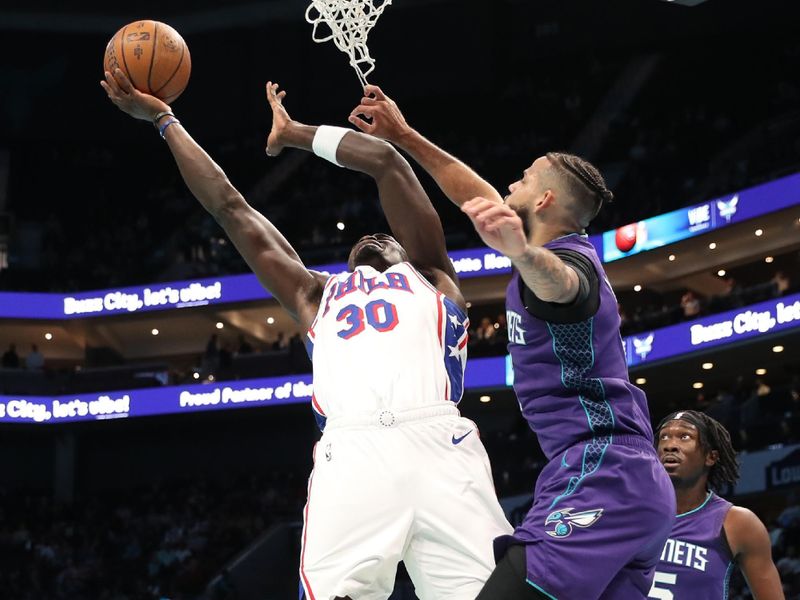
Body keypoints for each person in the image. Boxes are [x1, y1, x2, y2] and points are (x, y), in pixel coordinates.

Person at [101, 70, 511, 600]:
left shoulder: (433, 277)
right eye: (365, 238)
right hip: (351, 452)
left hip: (441, 445)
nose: (374, 235)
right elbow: (229, 208)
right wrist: (164, 120)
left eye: (387, 235)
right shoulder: (315, 295)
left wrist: (296, 134)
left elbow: (386, 163)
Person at [349, 86, 675, 599]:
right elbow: (470, 193)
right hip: (620, 479)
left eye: (523, 179)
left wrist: (522, 252)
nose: (509, 183)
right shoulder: (561, 244)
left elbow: (561, 285)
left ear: (543, 200)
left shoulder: (570, 264)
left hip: (603, 471)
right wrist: (403, 135)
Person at [654, 410, 784, 599]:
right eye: (664, 437)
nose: (670, 446)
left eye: (684, 436)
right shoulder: (632, 513)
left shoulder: (738, 523)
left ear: (711, 457)